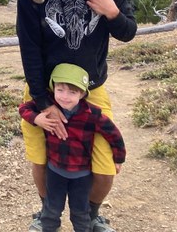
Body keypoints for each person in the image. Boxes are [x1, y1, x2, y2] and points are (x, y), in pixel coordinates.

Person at [17, 0, 137, 232]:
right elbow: (29, 50)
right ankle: (47, 212)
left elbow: (127, 32)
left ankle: (91, 214)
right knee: (42, 157)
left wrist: (112, 12)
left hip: (91, 89)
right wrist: (44, 104)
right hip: (44, 90)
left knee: (105, 165)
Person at [19, 63, 126, 232]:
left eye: (72, 92)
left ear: (83, 93)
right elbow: (24, 108)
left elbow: (114, 135)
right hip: (55, 171)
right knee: (51, 210)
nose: (64, 97)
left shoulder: (93, 114)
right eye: (60, 90)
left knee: (81, 213)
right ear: (53, 88)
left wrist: (119, 158)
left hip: (82, 175)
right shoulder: (49, 104)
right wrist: (36, 118)